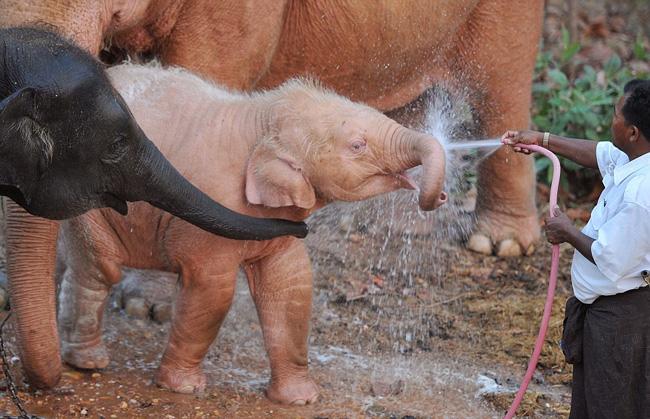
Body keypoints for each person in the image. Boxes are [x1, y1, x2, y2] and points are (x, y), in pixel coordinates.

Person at [501, 78, 650, 419]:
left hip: (622, 320)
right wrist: (541, 139)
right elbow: (597, 153)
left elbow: (611, 258)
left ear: (633, 132)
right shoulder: (634, 158)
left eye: (616, 115)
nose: (610, 119)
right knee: (589, 404)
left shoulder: (641, 194)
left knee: (612, 407)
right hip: (603, 312)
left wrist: (568, 231)